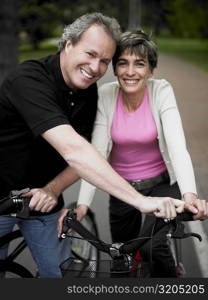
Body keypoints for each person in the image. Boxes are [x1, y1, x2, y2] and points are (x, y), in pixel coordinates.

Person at [0, 13, 185, 278]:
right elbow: (74, 151)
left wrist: (53, 188)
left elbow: (91, 152)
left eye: (104, 61)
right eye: (90, 53)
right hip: (1, 198)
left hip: (44, 202)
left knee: (60, 276)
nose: (95, 67)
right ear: (68, 45)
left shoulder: (87, 90)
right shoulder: (27, 80)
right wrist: (139, 201)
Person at [58, 29, 208, 277]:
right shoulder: (107, 94)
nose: (130, 72)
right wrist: (83, 205)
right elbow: (95, 153)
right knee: (122, 257)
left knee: (152, 246)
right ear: (115, 69)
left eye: (140, 64)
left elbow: (177, 145)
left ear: (151, 70)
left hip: (161, 184)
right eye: (122, 63)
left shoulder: (161, 91)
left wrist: (190, 195)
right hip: (123, 189)